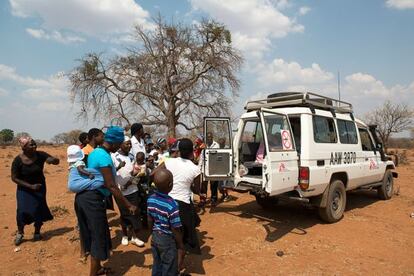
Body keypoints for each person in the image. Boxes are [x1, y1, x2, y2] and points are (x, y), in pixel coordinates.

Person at [75, 126, 137, 276]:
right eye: (120, 143)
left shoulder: (96, 152)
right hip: (92, 200)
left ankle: (98, 268)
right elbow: (111, 185)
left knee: (97, 234)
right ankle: (93, 273)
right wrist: (128, 205)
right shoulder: (103, 156)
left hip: (86, 198)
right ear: (115, 142)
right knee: (98, 237)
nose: (121, 146)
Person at [157, 138, 205, 255]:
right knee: (183, 241)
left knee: (167, 233)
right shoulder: (195, 169)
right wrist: (200, 193)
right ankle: (177, 269)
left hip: (166, 203)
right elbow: (196, 189)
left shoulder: (169, 161)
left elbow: (154, 174)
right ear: (191, 152)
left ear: (179, 150)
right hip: (182, 206)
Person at [11, 136, 60, 245]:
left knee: (38, 208)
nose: (34, 146)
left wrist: (54, 160)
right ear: (24, 148)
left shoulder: (40, 154)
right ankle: (20, 232)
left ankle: (37, 232)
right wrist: (30, 186)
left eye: (34, 144)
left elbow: (52, 160)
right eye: (31, 145)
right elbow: (14, 178)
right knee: (22, 210)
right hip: (24, 189)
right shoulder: (17, 160)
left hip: (39, 187)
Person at [148, 169, 185, 276]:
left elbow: (150, 219)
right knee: (169, 267)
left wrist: (152, 233)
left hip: (155, 236)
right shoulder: (172, 205)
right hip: (167, 240)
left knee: (157, 263)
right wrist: (180, 244)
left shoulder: (150, 199)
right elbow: (175, 228)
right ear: (170, 185)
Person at [111, 137, 145, 247]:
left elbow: (134, 171)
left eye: (130, 144)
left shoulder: (131, 156)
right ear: (120, 144)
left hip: (133, 189)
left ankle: (135, 237)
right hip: (120, 191)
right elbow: (110, 173)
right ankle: (125, 235)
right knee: (124, 214)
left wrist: (136, 173)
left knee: (134, 213)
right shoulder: (113, 156)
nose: (129, 146)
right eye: (127, 144)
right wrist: (118, 167)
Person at [206, 132, 220, 204]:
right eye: (208, 137)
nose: (209, 138)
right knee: (204, 184)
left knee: (213, 184)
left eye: (210, 137)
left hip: (214, 167)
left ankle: (214, 199)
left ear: (212, 137)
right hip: (205, 167)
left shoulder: (216, 145)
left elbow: (217, 155)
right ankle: (203, 199)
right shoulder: (204, 145)